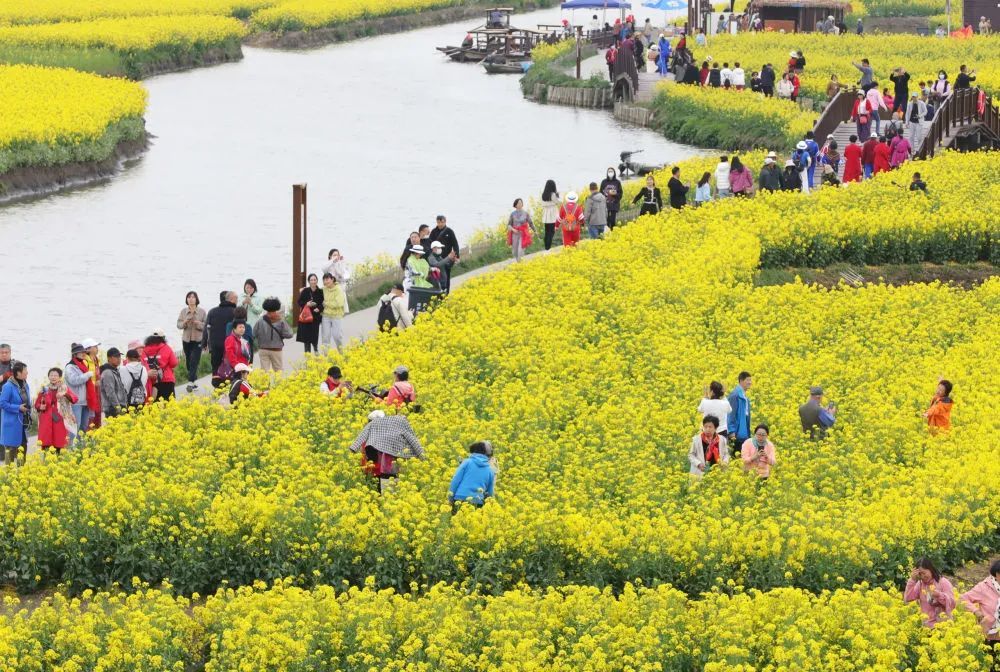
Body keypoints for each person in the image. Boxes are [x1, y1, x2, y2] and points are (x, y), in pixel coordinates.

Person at [349, 409, 425, 494]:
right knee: (396, 486)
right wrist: (422, 456)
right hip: (396, 465)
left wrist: (353, 449)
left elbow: (359, 440)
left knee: (388, 488)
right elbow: (413, 440)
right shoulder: (399, 423)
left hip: (383, 469)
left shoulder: (374, 427)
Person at [959, 559, 1000, 668]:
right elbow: (963, 599)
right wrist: (976, 611)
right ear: (997, 574)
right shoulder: (984, 587)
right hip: (990, 637)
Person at [34, 367, 77, 455]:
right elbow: (37, 404)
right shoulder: (44, 389)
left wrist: (65, 394)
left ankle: (59, 461)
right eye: (51, 375)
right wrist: (40, 406)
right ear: (48, 377)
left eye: (55, 375)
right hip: (46, 419)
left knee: (59, 442)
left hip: (60, 418)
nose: (53, 377)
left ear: (60, 377)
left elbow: (74, 399)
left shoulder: (64, 388)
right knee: (46, 443)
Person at [903, 559, 956, 628]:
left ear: (930, 569)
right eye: (920, 574)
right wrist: (912, 580)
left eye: (924, 573)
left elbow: (952, 604)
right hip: (927, 627)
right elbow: (908, 598)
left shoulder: (943, 582)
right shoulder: (920, 584)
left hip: (943, 627)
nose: (922, 576)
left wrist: (939, 595)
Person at [448, 441, 496, 512]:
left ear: (473, 452)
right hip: (478, 502)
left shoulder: (467, 462)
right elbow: (490, 492)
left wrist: (450, 499)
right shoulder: (490, 470)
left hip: (460, 499)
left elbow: (455, 481)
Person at [0, 362, 30, 465]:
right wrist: (18, 408)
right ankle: (9, 478)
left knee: (23, 450)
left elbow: (27, 401)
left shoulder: (26, 385)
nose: (27, 372)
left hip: (23, 424)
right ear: (18, 373)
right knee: (10, 453)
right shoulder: (8, 386)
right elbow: (2, 403)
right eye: (25, 370)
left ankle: (21, 476)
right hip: (12, 425)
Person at [176, 291, 206, 392]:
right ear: (187, 300)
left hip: (198, 339)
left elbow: (206, 326)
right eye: (189, 297)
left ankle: (190, 382)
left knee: (194, 360)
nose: (191, 299)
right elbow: (178, 325)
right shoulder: (183, 311)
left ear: (196, 299)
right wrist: (184, 322)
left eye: (193, 297)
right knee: (189, 361)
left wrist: (198, 324)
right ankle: (194, 380)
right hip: (186, 339)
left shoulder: (202, 311)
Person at [65, 343, 96, 442]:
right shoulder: (70, 367)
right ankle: (71, 449)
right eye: (81, 352)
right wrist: (87, 375)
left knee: (84, 426)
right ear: (75, 354)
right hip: (76, 402)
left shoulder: (82, 365)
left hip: (85, 401)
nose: (83, 354)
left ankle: (80, 448)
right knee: (75, 426)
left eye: (84, 352)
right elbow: (73, 381)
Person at [254, 298, 293, 371]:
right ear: (277, 308)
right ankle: (278, 383)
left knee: (264, 372)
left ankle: (265, 383)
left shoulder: (260, 320)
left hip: (263, 349)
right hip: (276, 349)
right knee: (278, 371)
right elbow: (290, 334)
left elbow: (254, 333)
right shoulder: (280, 320)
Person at [206, 291, 237, 374]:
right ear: (231, 299)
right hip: (231, 344)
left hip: (215, 344)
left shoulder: (212, 311)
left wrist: (204, 343)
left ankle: (216, 384)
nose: (237, 300)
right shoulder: (235, 311)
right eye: (236, 298)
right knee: (231, 367)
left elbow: (207, 328)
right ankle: (229, 385)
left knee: (216, 367)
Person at [143, 330, 178, 402]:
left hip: (152, 381)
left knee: (155, 405)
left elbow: (142, 365)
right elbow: (174, 363)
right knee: (169, 404)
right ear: (163, 338)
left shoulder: (144, 350)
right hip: (167, 379)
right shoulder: (166, 347)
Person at [428, 214, 460, 293]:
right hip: (436, 259)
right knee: (436, 278)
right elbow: (430, 244)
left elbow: (455, 244)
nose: (440, 224)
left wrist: (457, 256)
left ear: (445, 222)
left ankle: (446, 293)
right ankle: (437, 293)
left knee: (446, 276)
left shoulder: (449, 231)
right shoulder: (433, 232)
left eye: (442, 222)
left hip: (448, 258)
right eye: (438, 222)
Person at [318, 273, 347, 353]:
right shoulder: (324, 289)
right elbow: (315, 293)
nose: (325, 281)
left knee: (337, 336)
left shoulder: (338, 289)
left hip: (336, 316)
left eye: (327, 279)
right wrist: (305, 290)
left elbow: (339, 303)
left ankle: (341, 353)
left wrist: (326, 303)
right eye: (324, 280)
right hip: (326, 316)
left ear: (332, 279)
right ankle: (326, 356)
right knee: (325, 337)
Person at [296, 274, 323, 354]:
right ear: (309, 281)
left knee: (314, 335)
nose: (313, 281)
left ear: (317, 281)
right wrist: (306, 304)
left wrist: (319, 308)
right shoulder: (305, 291)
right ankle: (307, 355)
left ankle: (315, 349)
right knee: (306, 338)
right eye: (311, 280)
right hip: (306, 318)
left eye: (315, 279)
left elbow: (323, 303)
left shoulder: (320, 292)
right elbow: (299, 302)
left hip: (315, 317)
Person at [80, 338, 103, 430]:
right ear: (88, 349)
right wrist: (94, 383)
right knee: (90, 415)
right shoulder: (85, 361)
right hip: (89, 392)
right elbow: (84, 378)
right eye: (95, 347)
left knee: (98, 414)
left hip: (97, 392)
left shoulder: (97, 360)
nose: (97, 348)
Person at [727, 372, 752, 452]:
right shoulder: (735, 395)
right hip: (736, 434)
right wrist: (731, 431)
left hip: (743, 434)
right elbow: (730, 414)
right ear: (741, 381)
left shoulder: (744, 397)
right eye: (748, 380)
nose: (750, 382)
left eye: (750, 380)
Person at [99, 347, 127, 418]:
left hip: (119, 406)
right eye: (116, 356)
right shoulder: (107, 372)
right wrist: (118, 408)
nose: (119, 359)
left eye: (119, 357)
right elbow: (110, 392)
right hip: (112, 408)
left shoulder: (114, 370)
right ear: (109, 358)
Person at [322, 249, 352, 314]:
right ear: (330, 256)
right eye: (334, 255)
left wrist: (342, 262)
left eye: (337, 255)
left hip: (339, 288)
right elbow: (323, 269)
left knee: (340, 308)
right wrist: (332, 260)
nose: (336, 256)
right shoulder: (328, 264)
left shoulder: (341, 263)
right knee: (330, 307)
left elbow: (345, 275)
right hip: (330, 289)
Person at [541, 180, 561, 250]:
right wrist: (558, 196)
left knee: (547, 232)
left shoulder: (543, 194)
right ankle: (548, 248)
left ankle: (546, 247)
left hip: (546, 215)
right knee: (551, 232)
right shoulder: (552, 194)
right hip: (552, 215)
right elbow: (558, 202)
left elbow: (543, 204)